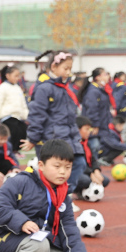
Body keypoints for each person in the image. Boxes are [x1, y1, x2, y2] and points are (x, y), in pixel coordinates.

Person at [25, 51, 85, 192]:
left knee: (79, 163)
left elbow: (71, 116)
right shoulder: (44, 88)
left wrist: (76, 136)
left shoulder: (66, 88)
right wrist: (33, 138)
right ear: (54, 67)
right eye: (65, 68)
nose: (68, 72)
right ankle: (56, 198)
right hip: (51, 137)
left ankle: (64, 196)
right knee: (53, 172)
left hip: (69, 136)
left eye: (70, 69)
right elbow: (37, 114)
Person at [83, 67, 126, 165]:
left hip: (102, 125)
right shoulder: (93, 91)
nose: (108, 76)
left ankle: (98, 162)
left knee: (98, 146)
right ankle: (91, 168)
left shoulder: (100, 89)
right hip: (95, 126)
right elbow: (92, 109)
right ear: (98, 77)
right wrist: (94, 125)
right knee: (94, 146)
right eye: (105, 74)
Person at [0, 64, 29, 152]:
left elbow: (23, 104)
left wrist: (26, 116)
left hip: (18, 116)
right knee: (13, 131)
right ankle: (10, 151)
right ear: (7, 76)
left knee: (22, 130)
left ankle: (16, 150)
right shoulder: (2, 88)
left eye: (18, 76)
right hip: (7, 116)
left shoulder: (18, 88)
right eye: (15, 76)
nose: (17, 78)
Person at [74, 116, 108, 197]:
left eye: (90, 129)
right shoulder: (74, 145)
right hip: (77, 172)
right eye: (86, 129)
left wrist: (96, 170)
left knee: (105, 180)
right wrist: (91, 173)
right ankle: (76, 192)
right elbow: (78, 164)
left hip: (88, 171)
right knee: (86, 180)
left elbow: (93, 159)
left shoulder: (86, 143)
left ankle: (85, 191)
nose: (89, 132)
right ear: (78, 130)